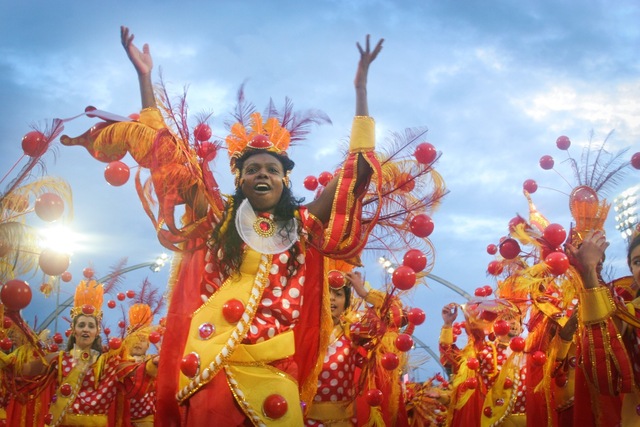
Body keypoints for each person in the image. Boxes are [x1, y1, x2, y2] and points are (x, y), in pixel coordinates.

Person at [112, 26, 385, 426]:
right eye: (252, 168)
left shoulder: (303, 225)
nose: (262, 175)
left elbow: (356, 173)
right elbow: (164, 158)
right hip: (210, 374)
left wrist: (361, 91)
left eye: (272, 170)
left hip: (276, 376)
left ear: (285, 180)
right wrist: (144, 79)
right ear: (239, 180)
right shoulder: (217, 219)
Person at [19, 279, 138, 427]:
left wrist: (153, 364)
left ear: (97, 332)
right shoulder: (58, 359)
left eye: (91, 326)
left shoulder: (109, 363)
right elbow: (23, 371)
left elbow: (138, 372)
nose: (86, 329)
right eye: (81, 325)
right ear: (74, 330)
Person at [569, 227, 640, 427]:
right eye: (637, 262)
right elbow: (604, 371)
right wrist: (589, 274)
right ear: (631, 270)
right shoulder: (627, 314)